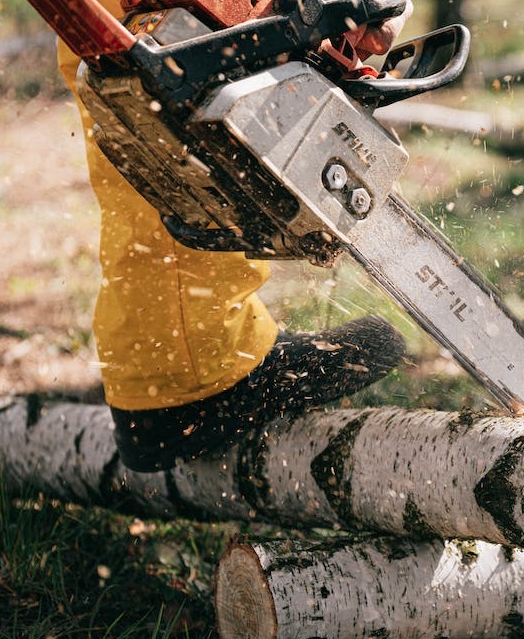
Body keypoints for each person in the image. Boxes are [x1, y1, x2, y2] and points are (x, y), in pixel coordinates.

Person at [57, 0, 413, 472]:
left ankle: (162, 364)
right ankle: (195, 371)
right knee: (182, 54)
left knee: (132, 57)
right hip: (190, 370)